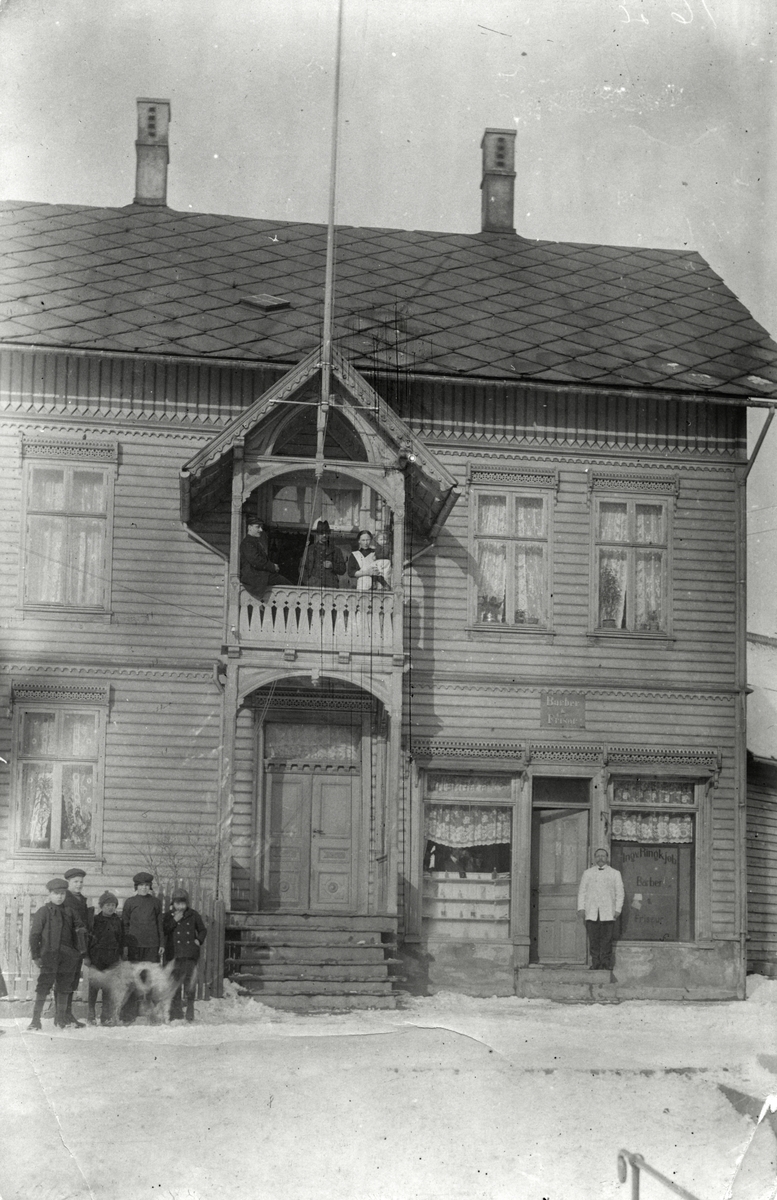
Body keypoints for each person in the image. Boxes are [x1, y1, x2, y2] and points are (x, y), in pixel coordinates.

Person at [28, 878, 88, 1031]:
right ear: (49, 894)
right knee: (43, 987)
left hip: (68, 957)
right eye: (56, 893)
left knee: (64, 987)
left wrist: (77, 951)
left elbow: (80, 931)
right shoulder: (43, 912)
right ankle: (35, 1020)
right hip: (49, 956)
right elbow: (35, 935)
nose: (60, 897)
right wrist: (36, 955)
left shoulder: (70, 912)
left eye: (62, 893)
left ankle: (61, 1018)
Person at [120, 872, 164, 1022]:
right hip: (135, 946)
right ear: (136, 887)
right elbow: (124, 925)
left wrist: (161, 943)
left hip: (152, 945)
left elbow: (160, 925)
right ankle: (129, 1012)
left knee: (150, 978)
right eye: (141, 885)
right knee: (134, 978)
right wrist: (126, 944)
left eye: (147, 886)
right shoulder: (130, 902)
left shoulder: (156, 903)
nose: (144, 888)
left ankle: (150, 1012)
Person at [162, 888, 207, 1022]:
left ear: (187, 903)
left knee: (189, 983)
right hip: (174, 954)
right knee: (174, 984)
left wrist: (198, 940)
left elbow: (203, 930)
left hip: (189, 954)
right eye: (177, 903)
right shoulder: (168, 916)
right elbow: (164, 930)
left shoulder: (193, 915)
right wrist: (175, 920)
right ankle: (176, 1012)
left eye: (183, 903)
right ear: (173, 903)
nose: (180, 906)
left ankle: (190, 1008)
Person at [577, 848, 625, 972]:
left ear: (607, 858)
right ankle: (595, 963)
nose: (600, 858)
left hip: (608, 912)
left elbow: (620, 893)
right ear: (594, 858)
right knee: (593, 939)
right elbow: (582, 892)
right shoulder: (587, 873)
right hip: (591, 912)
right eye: (598, 856)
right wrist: (581, 908)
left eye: (603, 856)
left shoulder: (615, 873)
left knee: (606, 939)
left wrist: (618, 909)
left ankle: (605, 963)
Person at [87, 891, 124, 1025]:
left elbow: (120, 939)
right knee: (94, 987)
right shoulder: (95, 921)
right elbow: (89, 939)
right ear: (101, 906)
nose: (110, 908)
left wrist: (119, 957)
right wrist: (88, 956)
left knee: (108, 989)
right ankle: (91, 1015)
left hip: (112, 958)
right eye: (107, 905)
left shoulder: (117, 921)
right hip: (97, 957)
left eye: (113, 905)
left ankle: (105, 1016)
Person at [62, 867, 93, 1028]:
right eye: (75, 882)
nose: (79, 885)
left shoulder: (82, 899)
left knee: (73, 980)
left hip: (79, 946)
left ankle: (68, 1014)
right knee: (64, 980)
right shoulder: (65, 899)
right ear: (68, 882)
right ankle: (61, 1017)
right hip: (68, 945)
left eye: (81, 882)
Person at [239, 517, 291, 598]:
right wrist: (272, 566)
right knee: (287, 585)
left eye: (261, 527)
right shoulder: (247, 542)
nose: (261, 530)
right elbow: (256, 561)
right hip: (254, 576)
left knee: (285, 584)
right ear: (249, 527)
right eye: (257, 527)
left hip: (259, 575)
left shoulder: (254, 541)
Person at [300, 519, 346, 588]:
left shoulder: (336, 550)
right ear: (317, 534)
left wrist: (332, 566)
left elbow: (343, 569)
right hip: (313, 585)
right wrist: (307, 581)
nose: (324, 535)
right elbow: (302, 567)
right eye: (321, 533)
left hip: (331, 585)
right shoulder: (310, 549)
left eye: (326, 533)